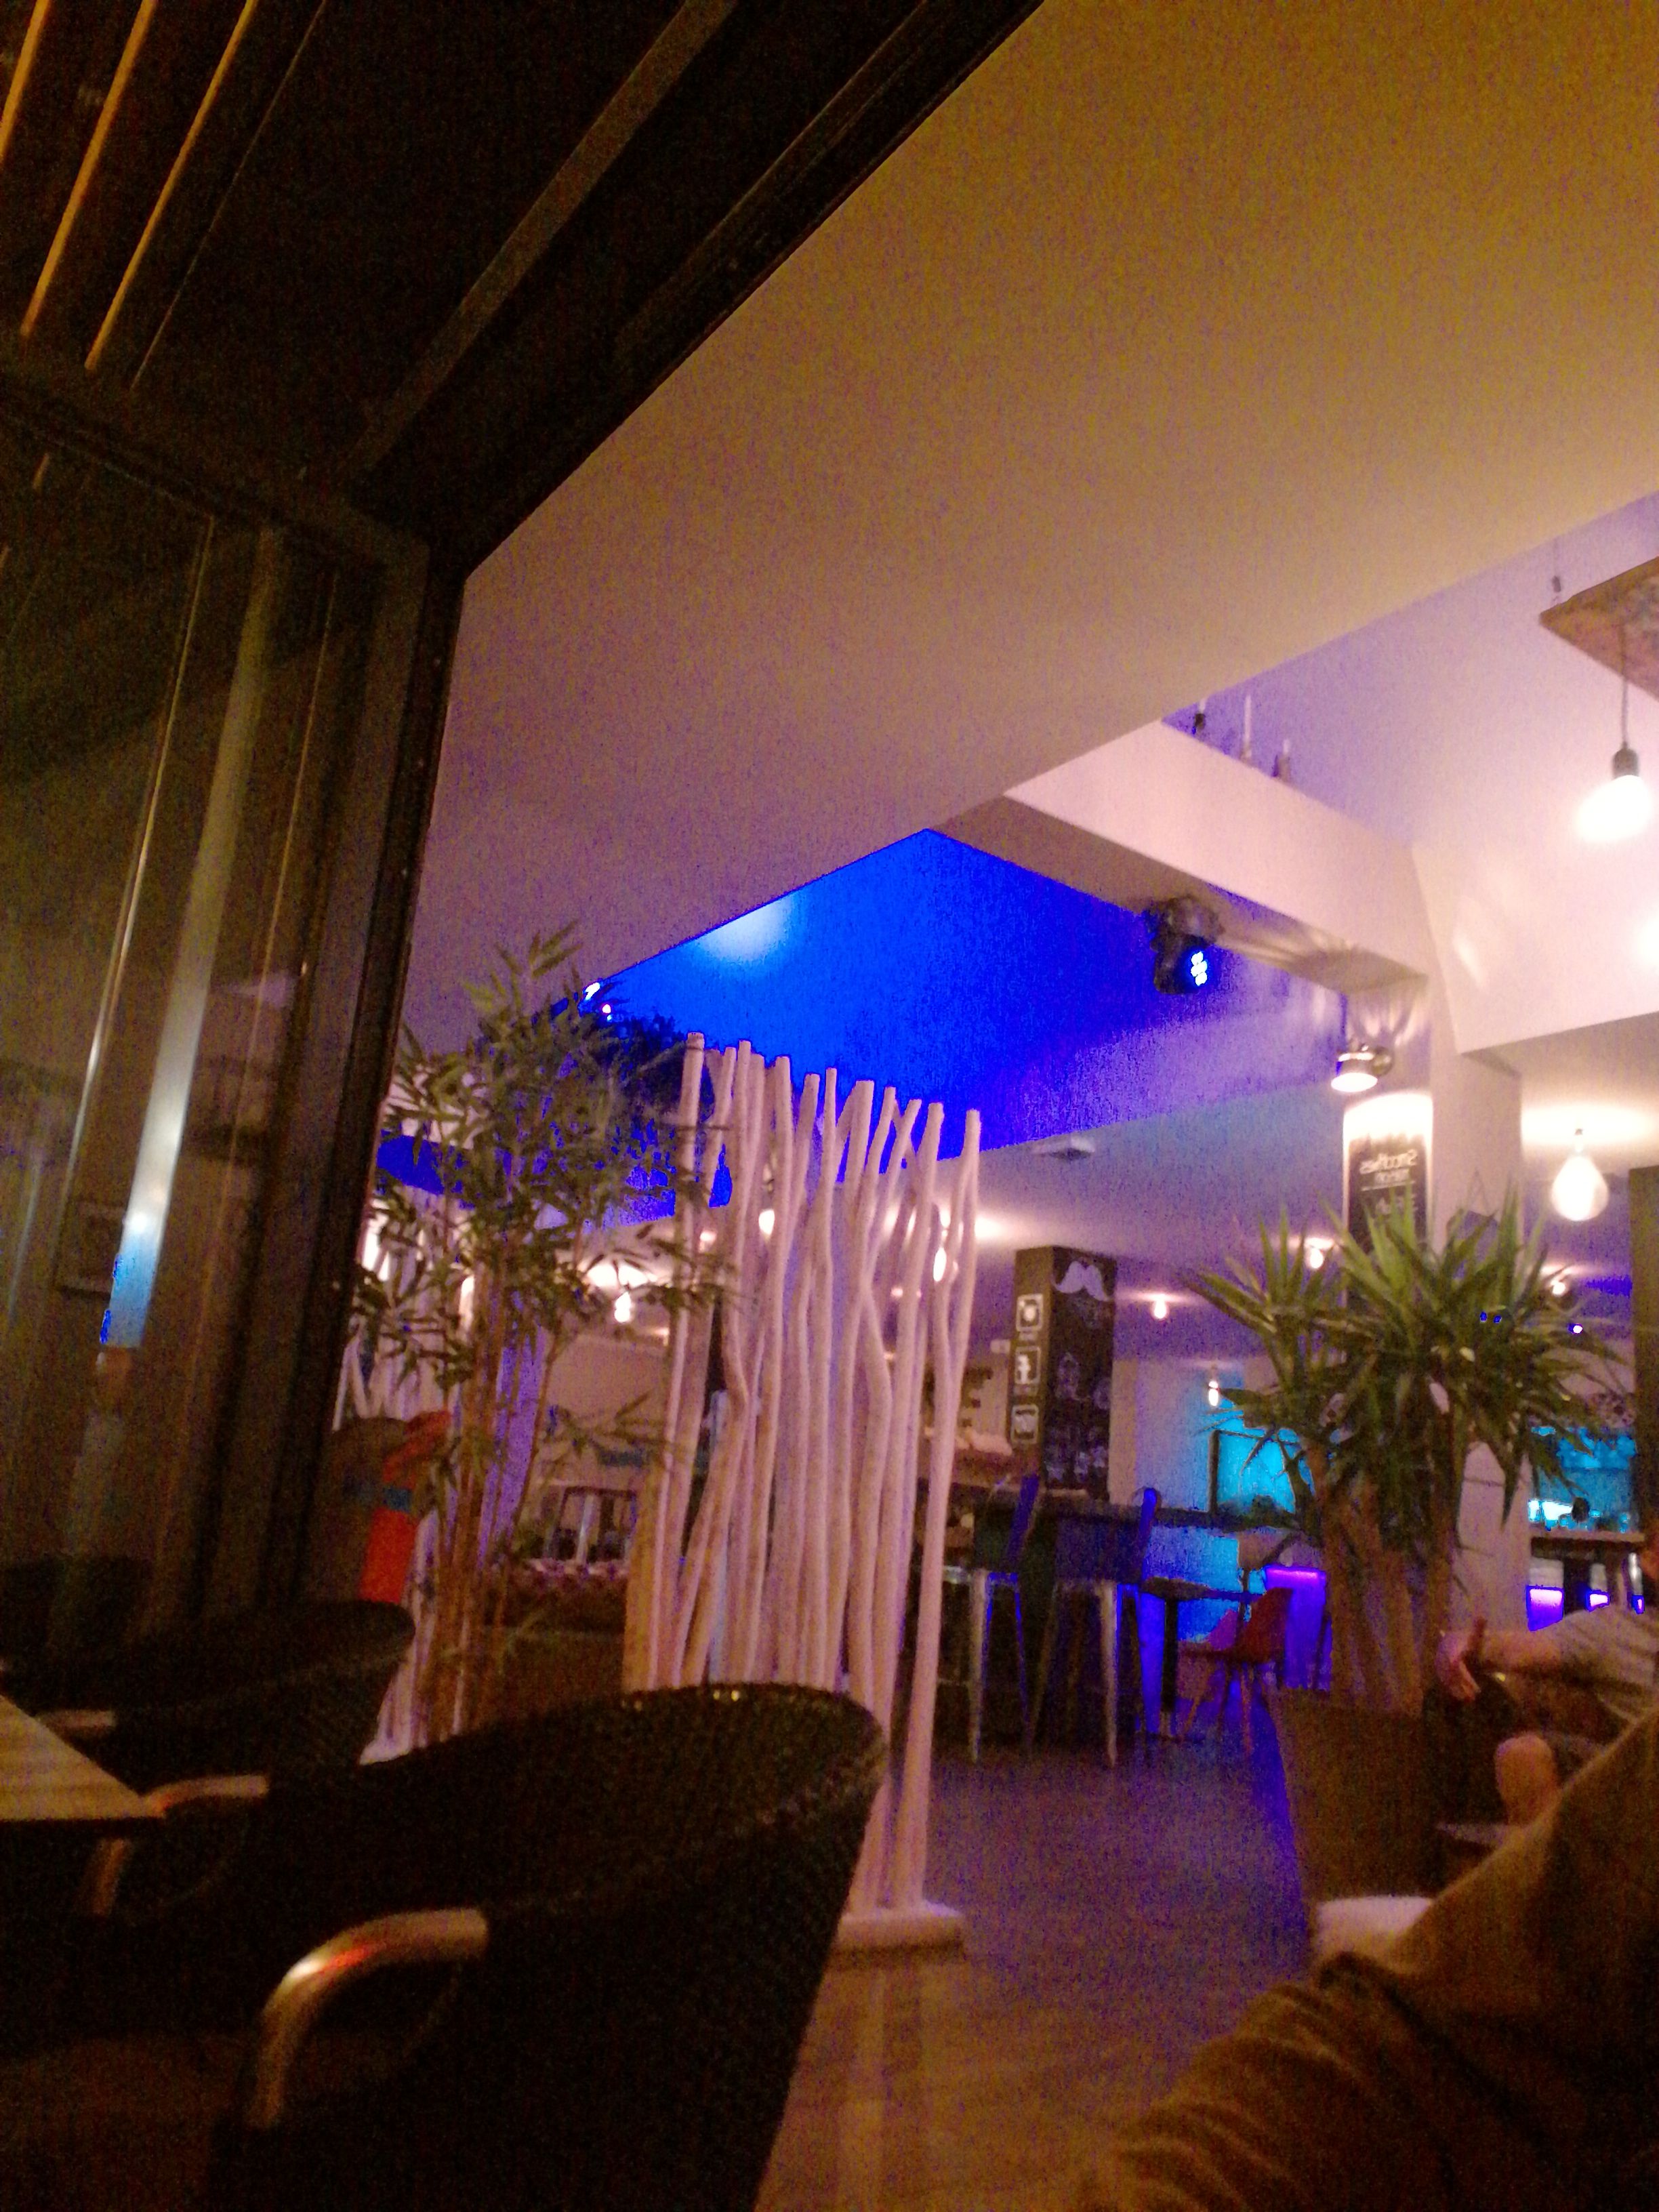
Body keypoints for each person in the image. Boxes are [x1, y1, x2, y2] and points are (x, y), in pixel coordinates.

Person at [1434, 1521, 1659, 1822]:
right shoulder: (1613, 1631)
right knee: (1523, 1756)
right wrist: (1453, 1646)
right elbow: (1508, 1648)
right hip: (1641, 1789)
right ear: (1651, 1562)